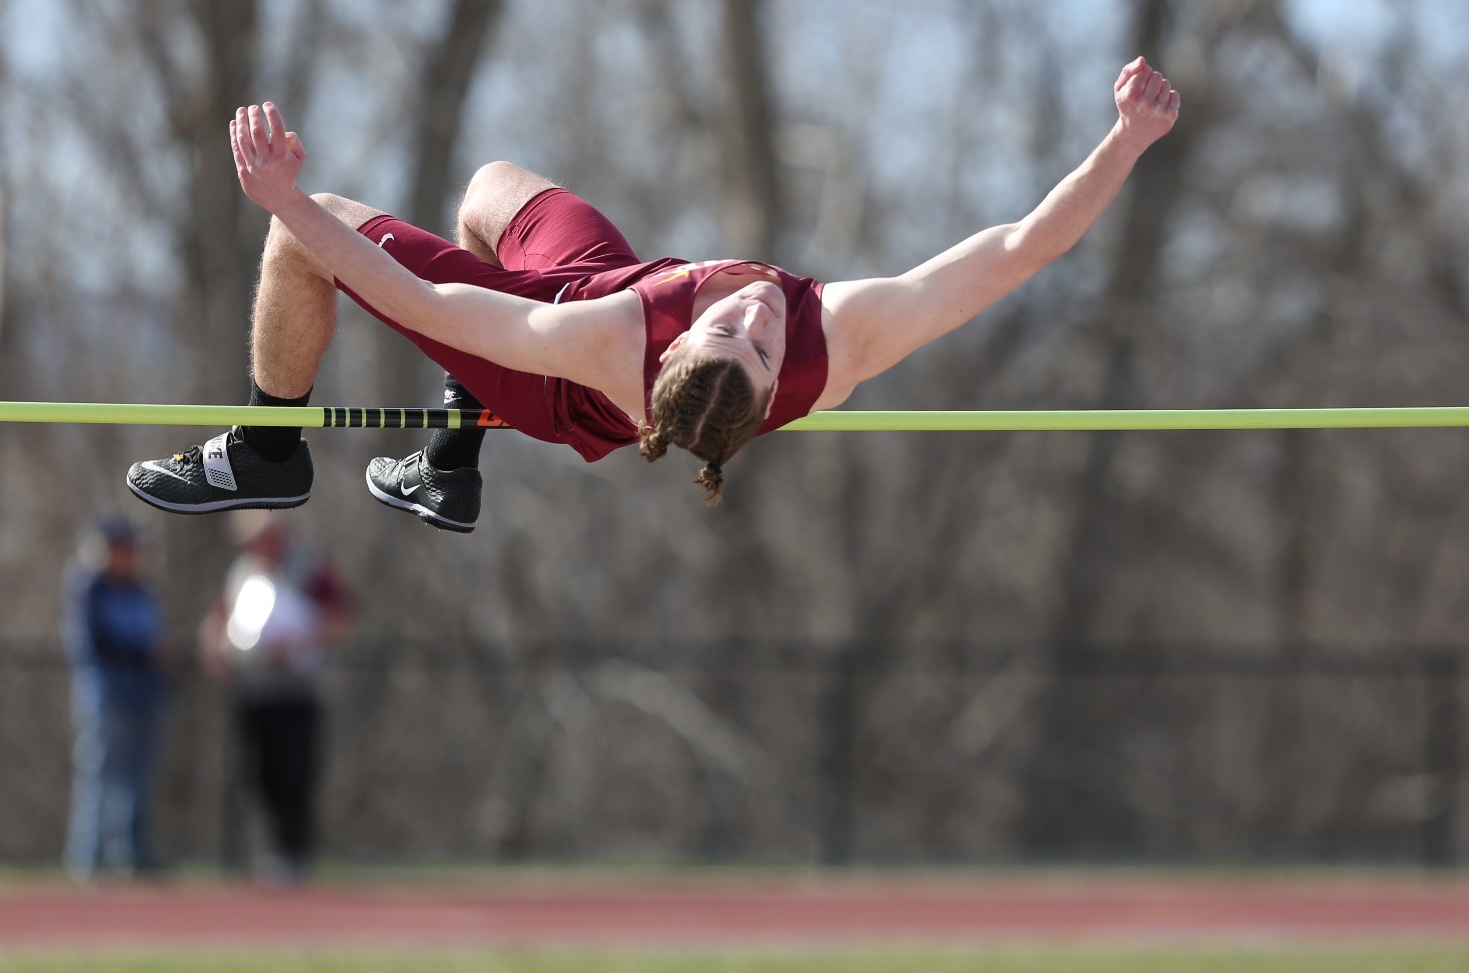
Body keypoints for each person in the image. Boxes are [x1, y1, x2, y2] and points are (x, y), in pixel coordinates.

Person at [124, 60, 1182, 531]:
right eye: (750, 330)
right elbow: (1019, 249)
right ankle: (449, 465)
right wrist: (1123, 142)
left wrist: (287, 200)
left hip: (547, 370)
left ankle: (267, 453)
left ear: (677, 351)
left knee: (304, 245)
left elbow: (432, 309)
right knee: (490, 191)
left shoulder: (610, 343)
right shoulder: (837, 334)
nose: (758, 314)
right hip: (599, 277)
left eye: (746, 334)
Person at [201, 512, 352, 884]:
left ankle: (293, 850)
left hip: (298, 687)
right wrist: (217, 651)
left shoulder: (309, 569)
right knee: (261, 771)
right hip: (256, 687)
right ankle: (273, 848)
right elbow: (220, 620)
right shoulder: (242, 573)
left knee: (295, 771)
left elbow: (340, 617)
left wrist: (298, 643)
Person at [60, 515, 171, 880]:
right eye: (124, 548)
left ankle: (132, 854)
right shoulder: (89, 587)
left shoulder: (141, 590)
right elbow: (96, 641)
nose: (131, 556)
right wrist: (142, 652)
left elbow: (153, 634)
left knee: (137, 777)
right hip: (106, 694)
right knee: (100, 773)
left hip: (144, 692)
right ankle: (88, 857)